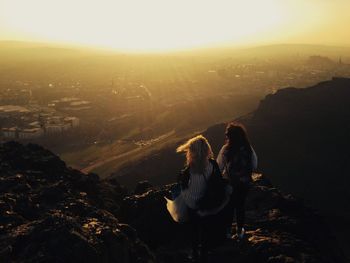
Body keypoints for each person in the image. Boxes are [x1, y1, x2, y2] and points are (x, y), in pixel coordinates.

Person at [176, 135, 229, 263]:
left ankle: (194, 253)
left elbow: (184, 189)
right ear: (207, 149)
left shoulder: (188, 171)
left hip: (191, 205)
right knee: (206, 231)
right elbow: (218, 182)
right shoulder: (212, 165)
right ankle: (204, 254)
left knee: (194, 230)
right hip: (206, 204)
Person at [216, 122, 257, 240]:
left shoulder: (226, 149)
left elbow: (219, 166)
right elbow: (254, 164)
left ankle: (228, 232)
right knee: (240, 206)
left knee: (229, 207)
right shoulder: (248, 148)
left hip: (230, 184)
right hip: (244, 183)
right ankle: (240, 231)